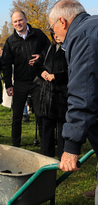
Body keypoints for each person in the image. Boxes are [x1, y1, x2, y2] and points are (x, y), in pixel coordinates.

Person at [49, 0, 98, 205]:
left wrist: (70, 146)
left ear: (63, 20)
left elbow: (83, 92)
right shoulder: (93, 26)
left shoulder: (83, 37)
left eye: (53, 29)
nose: (54, 35)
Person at [1, 11, 50, 147]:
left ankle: (45, 146)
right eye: (15, 21)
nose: (18, 23)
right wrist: (8, 84)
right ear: (12, 23)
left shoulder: (38, 34)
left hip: (37, 81)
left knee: (41, 115)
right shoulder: (10, 41)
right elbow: (5, 64)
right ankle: (15, 147)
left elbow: (50, 50)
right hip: (20, 83)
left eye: (20, 20)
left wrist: (41, 57)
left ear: (26, 19)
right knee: (17, 117)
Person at [33, 32, 68, 160]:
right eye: (54, 34)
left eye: (58, 34)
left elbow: (74, 70)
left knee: (62, 128)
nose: (56, 36)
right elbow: (37, 64)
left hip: (62, 94)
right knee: (46, 126)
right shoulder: (48, 49)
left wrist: (57, 76)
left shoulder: (70, 48)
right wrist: (42, 72)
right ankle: (46, 156)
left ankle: (63, 156)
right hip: (47, 94)